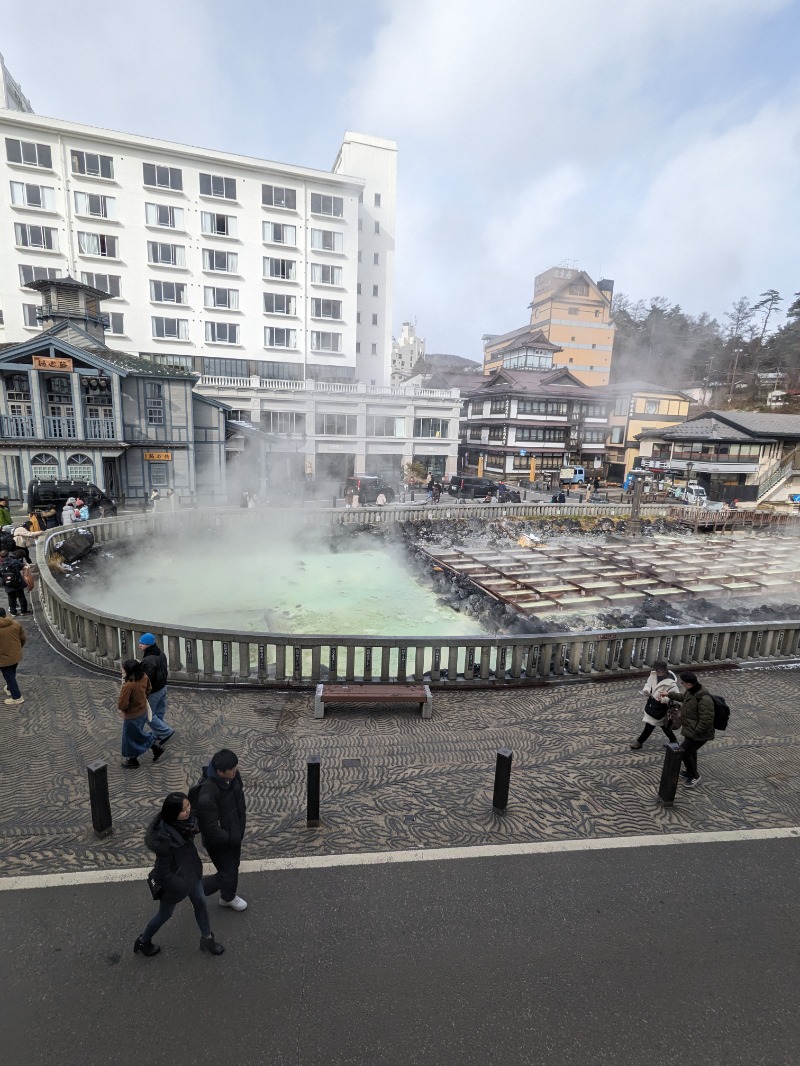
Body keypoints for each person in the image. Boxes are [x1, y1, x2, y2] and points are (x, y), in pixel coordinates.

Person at [134, 792, 224, 958]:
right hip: (176, 885)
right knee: (165, 914)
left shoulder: (185, 824)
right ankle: (143, 940)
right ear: (173, 814)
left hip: (191, 874)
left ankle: (207, 939)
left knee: (201, 903)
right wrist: (182, 886)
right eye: (183, 809)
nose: (188, 811)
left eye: (188, 805)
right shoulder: (165, 841)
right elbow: (162, 873)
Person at [197, 749, 248, 912]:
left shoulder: (233, 777)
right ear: (220, 772)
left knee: (233, 867)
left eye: (235, 767)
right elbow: (210, 828)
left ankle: (227, 897)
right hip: (219, 843)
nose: (235, 771)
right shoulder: (208, 792)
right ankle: (197, 891)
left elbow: (240, 801)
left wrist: (238, 831)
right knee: (227, 873)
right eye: (231, 769)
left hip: (234, 834)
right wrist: (228, 837)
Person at [667, 670, 715, 788]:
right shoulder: (692, 691)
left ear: (688, 683)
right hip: (691, 729)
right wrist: (668, 694)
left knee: (683, 751)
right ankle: (690, 771)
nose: (682, 685)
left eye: (682, 683)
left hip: (699, 733)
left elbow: (706, 720)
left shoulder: (704, 699)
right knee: (690, 751)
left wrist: (696, 732)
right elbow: (683, 697)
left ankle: (694, 775)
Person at [118, 658, 164, 769]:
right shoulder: (143, 676)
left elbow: (122, 704)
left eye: (123, 669)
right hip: (142, 711)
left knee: (130, 736)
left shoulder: (128, 685)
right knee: (137, 733)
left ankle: (134, 760)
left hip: (132, 715)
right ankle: (154, 748)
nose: (122, 670)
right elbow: (149, 688)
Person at [630, 660, 681, 750]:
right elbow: (648, 684)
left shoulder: (671, 684)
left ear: (664, 671)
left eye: (659, 671)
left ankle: (639, 742)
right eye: (656, 670)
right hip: (652, 704)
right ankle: (673, 740)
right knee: (663, 725)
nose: (657, 673)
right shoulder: (653, 675)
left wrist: (663, 699)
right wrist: (646, 690)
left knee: (650, 724)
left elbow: (675, 696)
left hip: (661, 707)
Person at [138, 632, 174, 744]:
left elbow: (146, 679)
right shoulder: (161, 654)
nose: (139, 645)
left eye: (142, 643)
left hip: (154, 691)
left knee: (148, 714)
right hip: (163, 686)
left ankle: (166, 731)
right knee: (159, 711)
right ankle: (157, 733)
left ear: (148, 645)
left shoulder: (148, 660)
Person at [0, 606, 26, 706]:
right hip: (15, 655)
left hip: (3, 658)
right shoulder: (16, 624)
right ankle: (9, 688)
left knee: (9, 676)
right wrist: (17, 649)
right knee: (11, 673)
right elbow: (23, 638)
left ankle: (17, 697)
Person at [0, 550, 28, 616]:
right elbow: (22, 566)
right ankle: (23, 611)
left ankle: (13, 612)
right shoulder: (14, 561)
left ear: (1, 556)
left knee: (11, 598)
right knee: (21, 596)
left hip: (7, 584)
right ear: (8, 555)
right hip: (17, 582)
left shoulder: (1, 564)